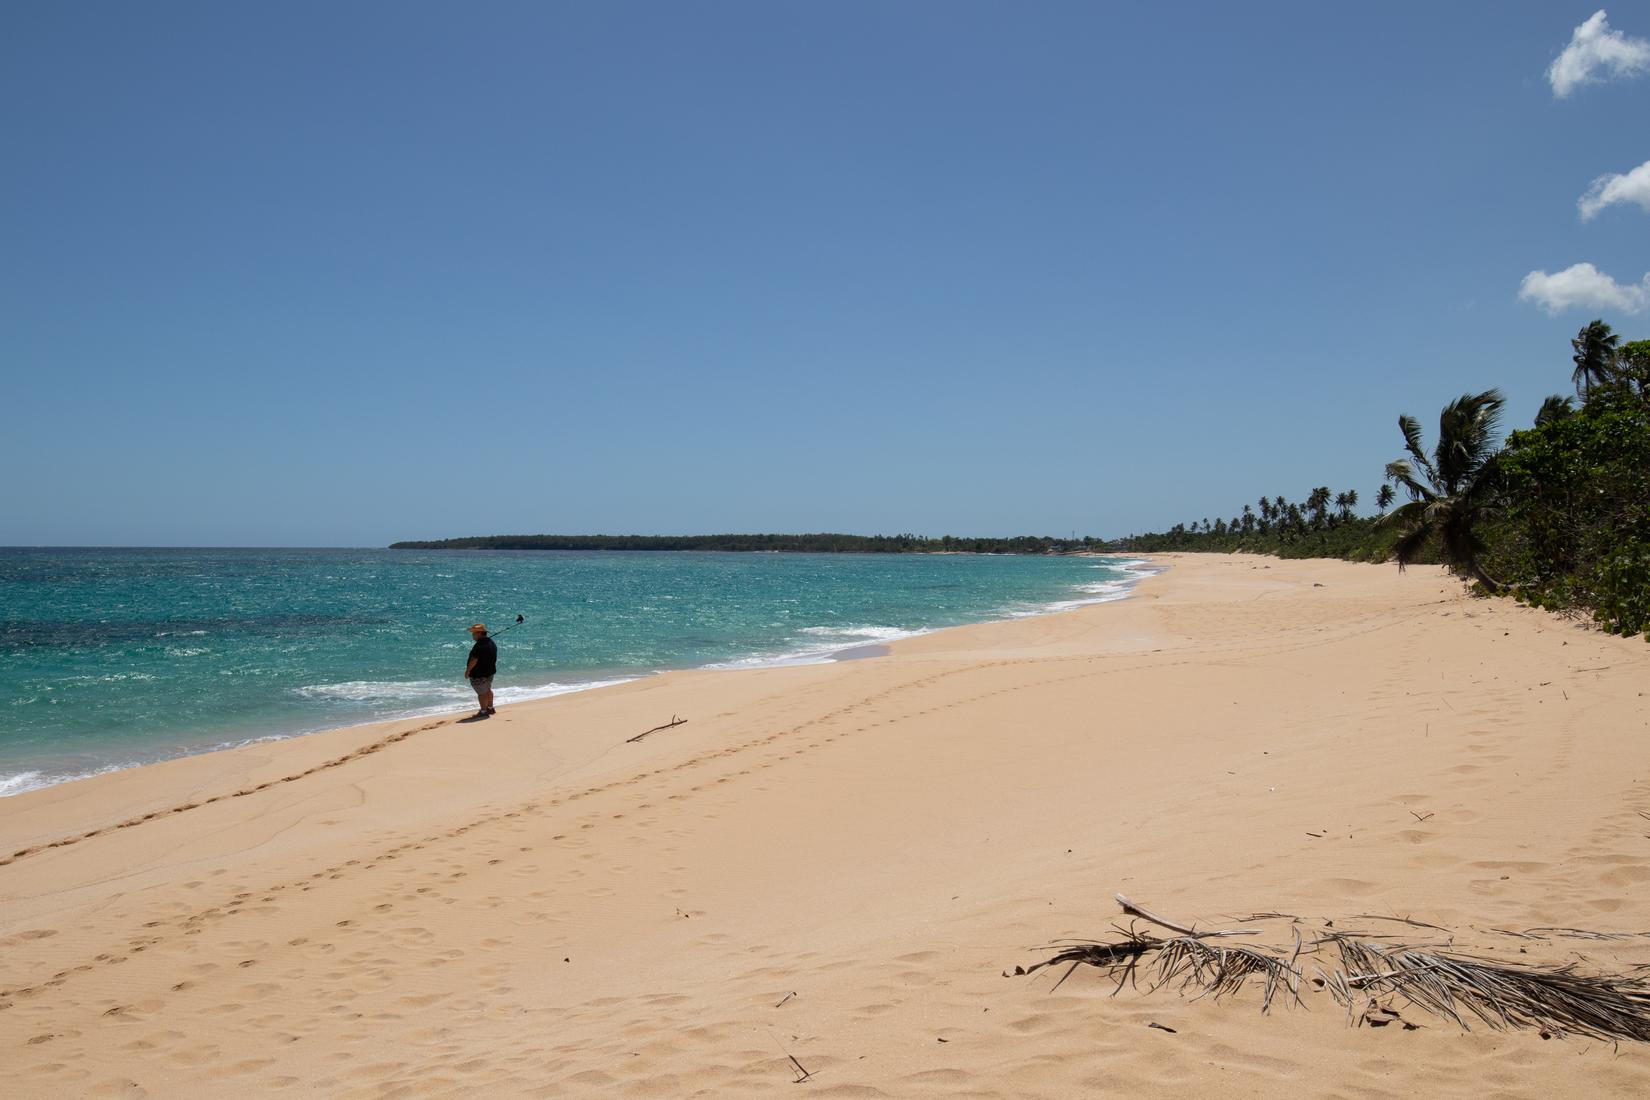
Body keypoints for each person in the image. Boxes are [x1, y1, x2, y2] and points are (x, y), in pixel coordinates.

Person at [465, 623, 498, 718]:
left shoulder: (479, 646)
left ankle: (483, 711)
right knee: (487, 689)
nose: (472, 635)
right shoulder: (491, 642)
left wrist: (468, 670)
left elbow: (474, 660)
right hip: (490, 672)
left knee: (481, 693)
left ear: (479, 633)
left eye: (474, 633)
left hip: (479, 674)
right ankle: (490, 708)